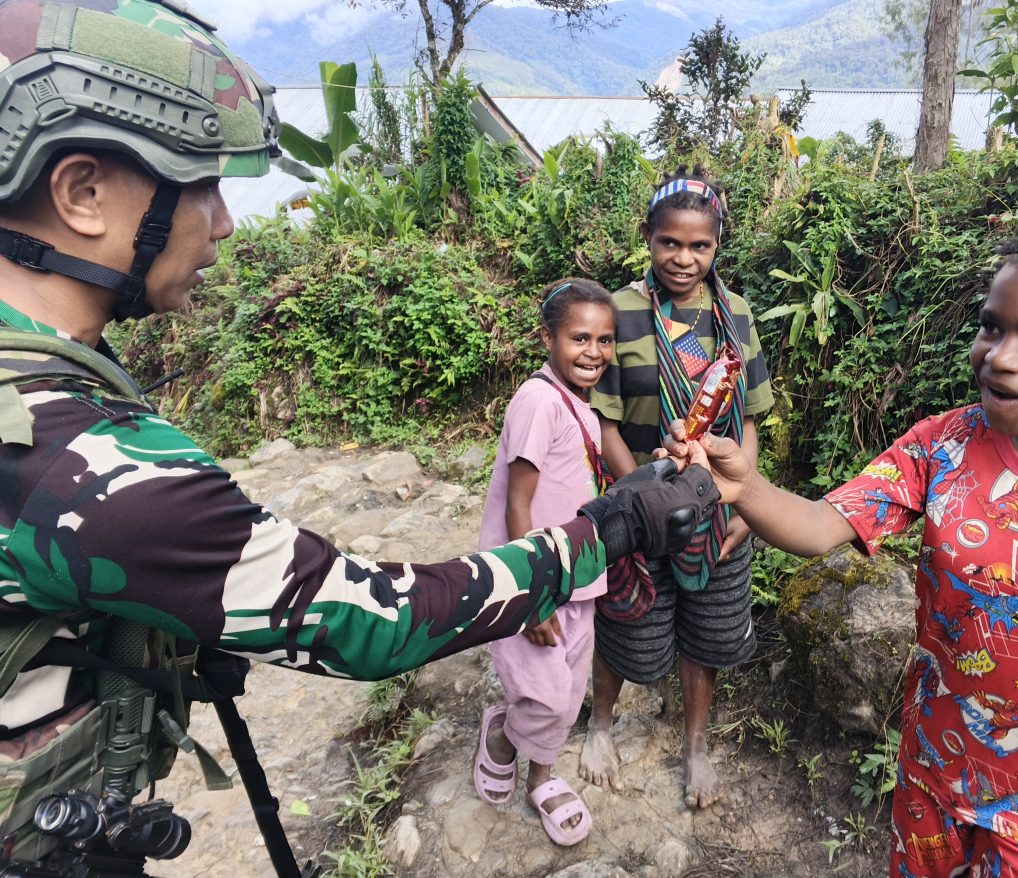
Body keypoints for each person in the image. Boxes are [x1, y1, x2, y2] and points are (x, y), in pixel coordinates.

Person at [0, 2, 717, 873]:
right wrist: (613, 525)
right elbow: (371, 620)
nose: (224, 225)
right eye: (204, 185)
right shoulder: (70, 456)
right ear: (82, 194)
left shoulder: (51, 377)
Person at [670, 214, 1018, 877]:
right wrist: (745, 487)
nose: (1000, 355)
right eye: (992, 326)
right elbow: (822, 527)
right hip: (934, 769)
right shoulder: (943, 445)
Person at [580, 167, 775, 809]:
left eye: (700, 246)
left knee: (709, 628)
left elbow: (746, 420)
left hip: (716, 505)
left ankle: (695, 747)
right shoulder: (622, 311)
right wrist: (634, 496)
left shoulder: (734, 315)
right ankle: (600, 723)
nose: (683, 259)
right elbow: (606, 420)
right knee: (628, 618)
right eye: (670, 243)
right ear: (649, 238)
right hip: (640, 504)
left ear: (717, 246)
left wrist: (740, 500)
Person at [473, 278, 616, 846]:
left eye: (605, 340)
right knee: (547, 695)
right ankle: (503, 738)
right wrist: (530, 597)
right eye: (579, 338)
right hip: (530, 582)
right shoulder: (537, 400)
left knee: (569, 687)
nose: (594, 352)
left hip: (577, 573)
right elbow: (519, 502)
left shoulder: (578, 402)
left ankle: (540, 776)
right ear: (548, 339)